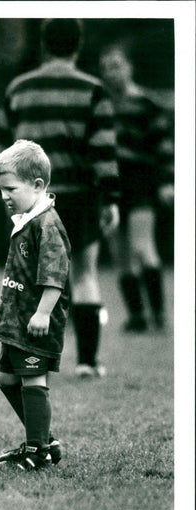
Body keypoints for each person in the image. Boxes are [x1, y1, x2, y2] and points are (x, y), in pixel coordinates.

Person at [0, 19, 120, 380]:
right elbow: (104, 152)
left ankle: (30, 362)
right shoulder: (93, 90)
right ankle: (88, 361)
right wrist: (110, 198)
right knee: (85, 275)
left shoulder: (19, 88)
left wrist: (10, 192)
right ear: (78, 45)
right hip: (79, 197)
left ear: (45, 45)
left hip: (31, 201)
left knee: (30, 279)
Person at [0, 140, 71, 471]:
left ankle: (37, 450)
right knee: (6, 380)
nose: (4, 196)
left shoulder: (47, 224)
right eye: (0, 189)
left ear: (37, 185)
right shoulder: (27, 218)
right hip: (16, 321)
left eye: (11, 188)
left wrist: (43, 313)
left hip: (36, 321)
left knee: (33, 381)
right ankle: (46, 441)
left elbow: (55, 275)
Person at [99, 42, 175, 333]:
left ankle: (158, 314)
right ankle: (137, 316)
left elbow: (163, 147)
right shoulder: (100, 106)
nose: (111, 73)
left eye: (116, 66)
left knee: (143, 249)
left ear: (130, 67)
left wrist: (168, 182)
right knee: (120, 255)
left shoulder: (147, 104)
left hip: (141, 184)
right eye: (106, 68)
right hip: (110, 187)